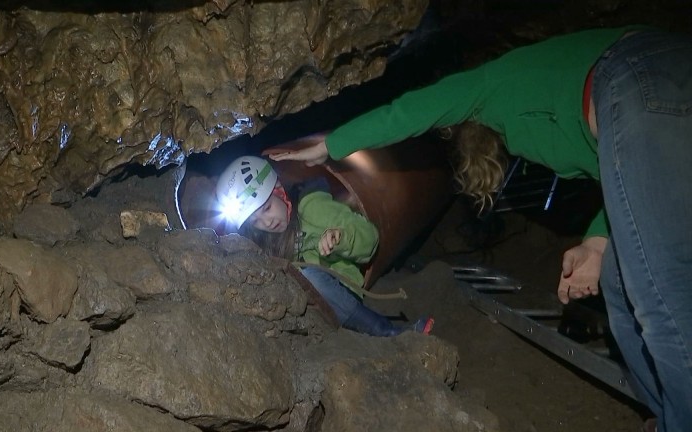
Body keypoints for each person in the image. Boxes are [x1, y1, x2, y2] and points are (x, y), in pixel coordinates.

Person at [270, 26, 692, 432]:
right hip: (658, 83)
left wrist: (331, 144)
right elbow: (618, 175)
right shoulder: (541, 99)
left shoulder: (494, 79)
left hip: (636, 81)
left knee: (661, 301)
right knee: (621, 282)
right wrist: (597, 243)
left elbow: (414, 109)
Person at [216, 155, 435, 337]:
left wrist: (340, 239)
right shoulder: (263, 238)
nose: (267, 222)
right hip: (304, 309)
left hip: (337, 290)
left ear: (280, 190)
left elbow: (369, 239)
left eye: (267, 208)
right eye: (256, 221)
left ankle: (388, 332)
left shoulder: (313, 208)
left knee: (308, 277)